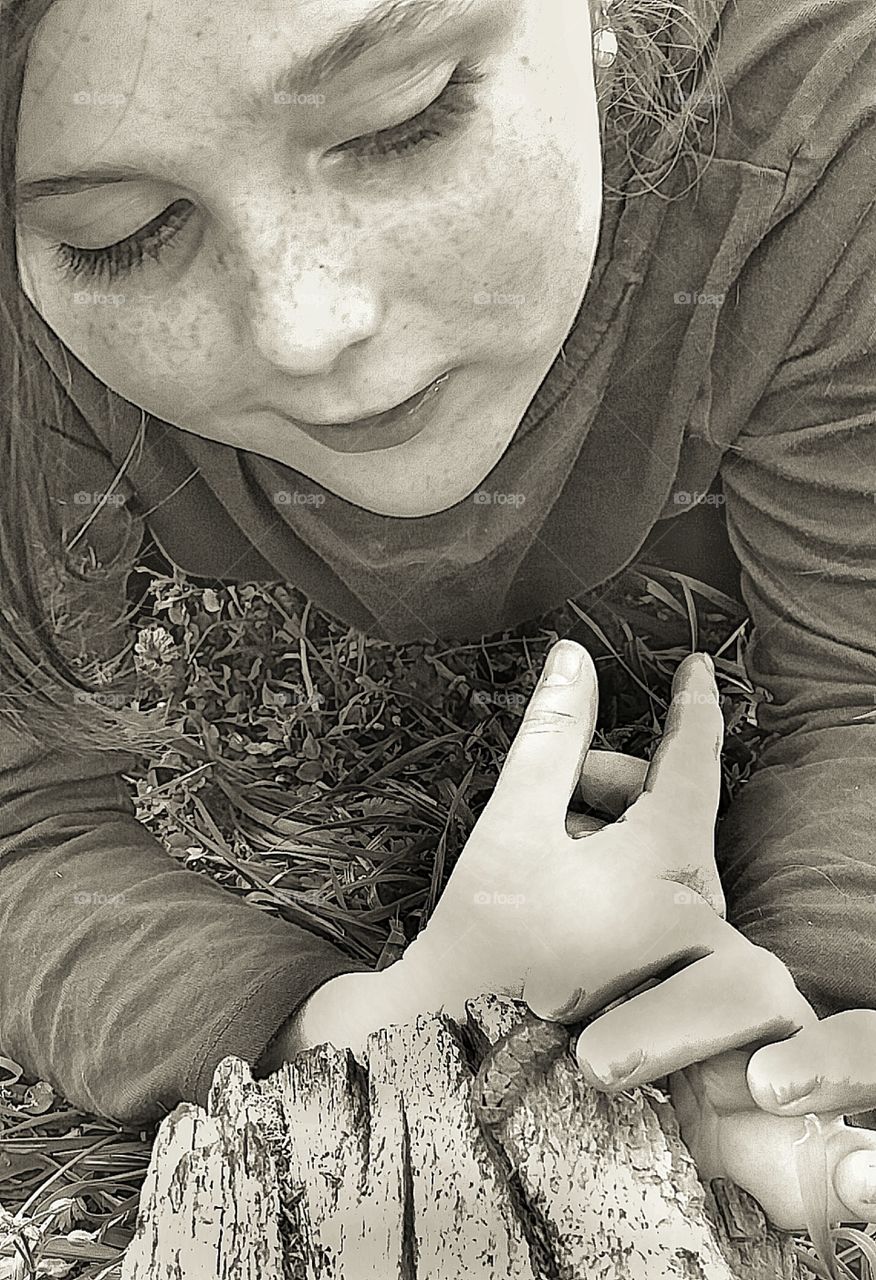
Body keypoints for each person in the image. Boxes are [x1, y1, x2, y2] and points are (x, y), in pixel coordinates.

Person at [3, 0, 876, 1231]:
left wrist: (796, 1010)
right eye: (120, 234)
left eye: (405, 120)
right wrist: (343, 1037)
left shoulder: (823, 124)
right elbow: (15, 820)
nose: (310, 329)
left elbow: (864, 690)